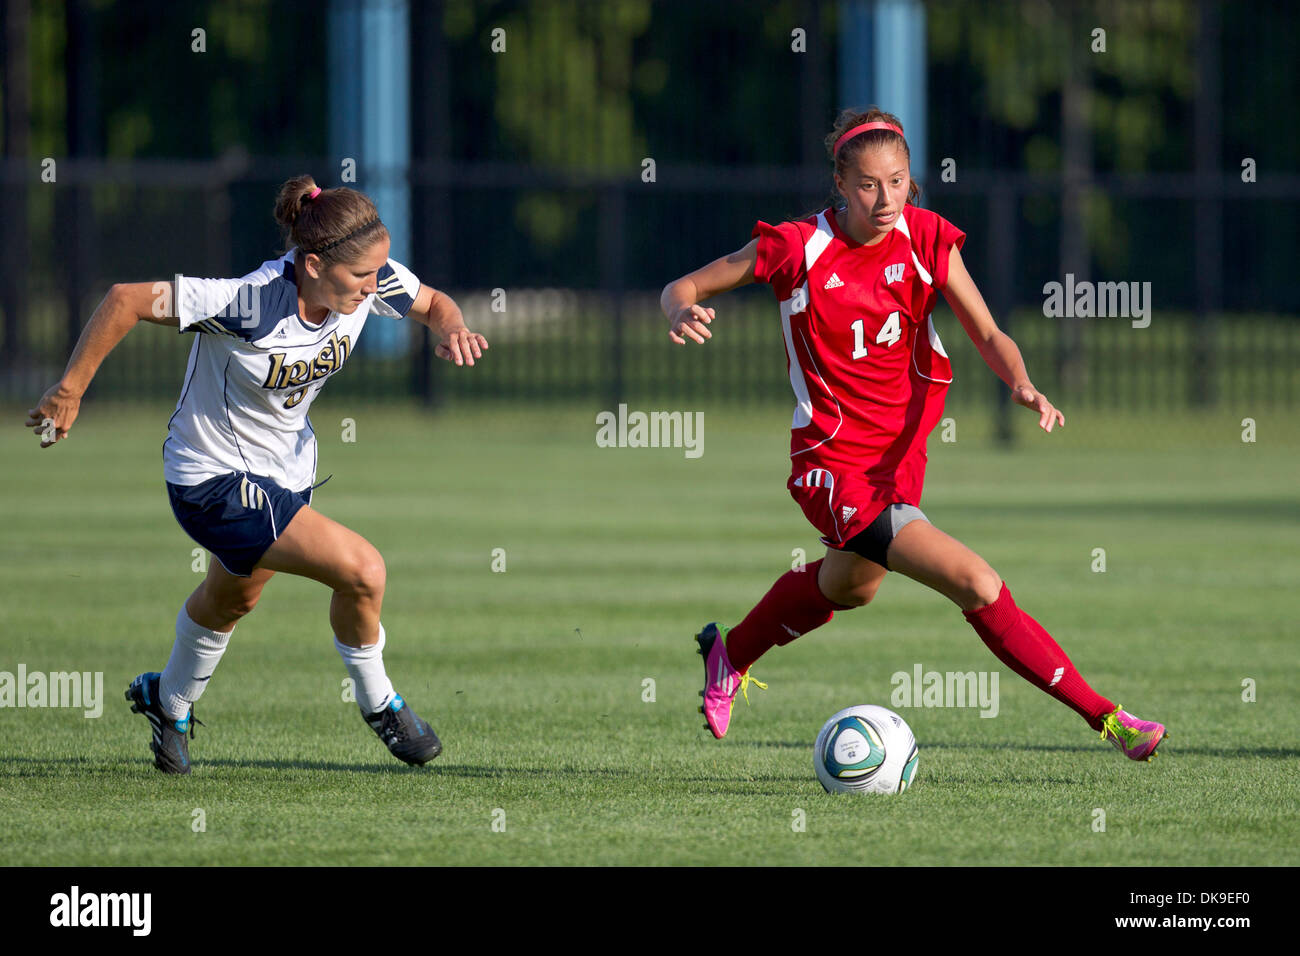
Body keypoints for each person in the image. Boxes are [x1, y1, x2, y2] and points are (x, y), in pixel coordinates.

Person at [659, 108, 1167, 761]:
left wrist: (1020, 380)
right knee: (977, 582)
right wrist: (681, 307)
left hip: (897, 459)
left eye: (897, 181)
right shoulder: (797, 247)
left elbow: (987, 332)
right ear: (840, 182)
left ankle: (727, 653)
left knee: (850, 588)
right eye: (868, 184)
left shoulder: (926, 239)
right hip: (832, 464)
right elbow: (689, 283)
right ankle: (1112, 721)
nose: (885, 198)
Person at [26, 176, 488, 774]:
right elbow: (124, 299)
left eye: (379, 274)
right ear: (314, 263)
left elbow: (430, 302)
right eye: (361, 278)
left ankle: (169, 702)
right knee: (363, 570)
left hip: (282, 473)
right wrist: (69, 391)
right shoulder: (250, 303)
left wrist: (451, 328)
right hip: (211, 479)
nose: (376, 288)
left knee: (232, 598)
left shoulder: (369, 276)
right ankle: (381, 706)